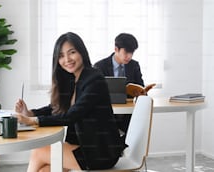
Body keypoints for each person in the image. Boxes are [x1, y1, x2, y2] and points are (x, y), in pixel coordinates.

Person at [15, 32, 126, 171]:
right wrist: (30, 113)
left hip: (100, 152)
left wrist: (33, 121)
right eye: (61, 56)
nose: (67, 59)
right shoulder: (72, 79)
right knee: (43, 170)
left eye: (71, 52)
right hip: (82, 145)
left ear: (81, 52)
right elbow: (55, 107)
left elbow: (71, 116)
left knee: (38, 153)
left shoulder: (94, 79)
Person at [93, 33, 145, 135]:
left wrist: (141, 92)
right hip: (107, 115)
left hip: (128, 115)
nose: (129, 56)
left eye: (131, 53)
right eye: (126, 52)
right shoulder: (100, 66)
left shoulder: (134, 65)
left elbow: (140, 86)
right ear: (116, 49)